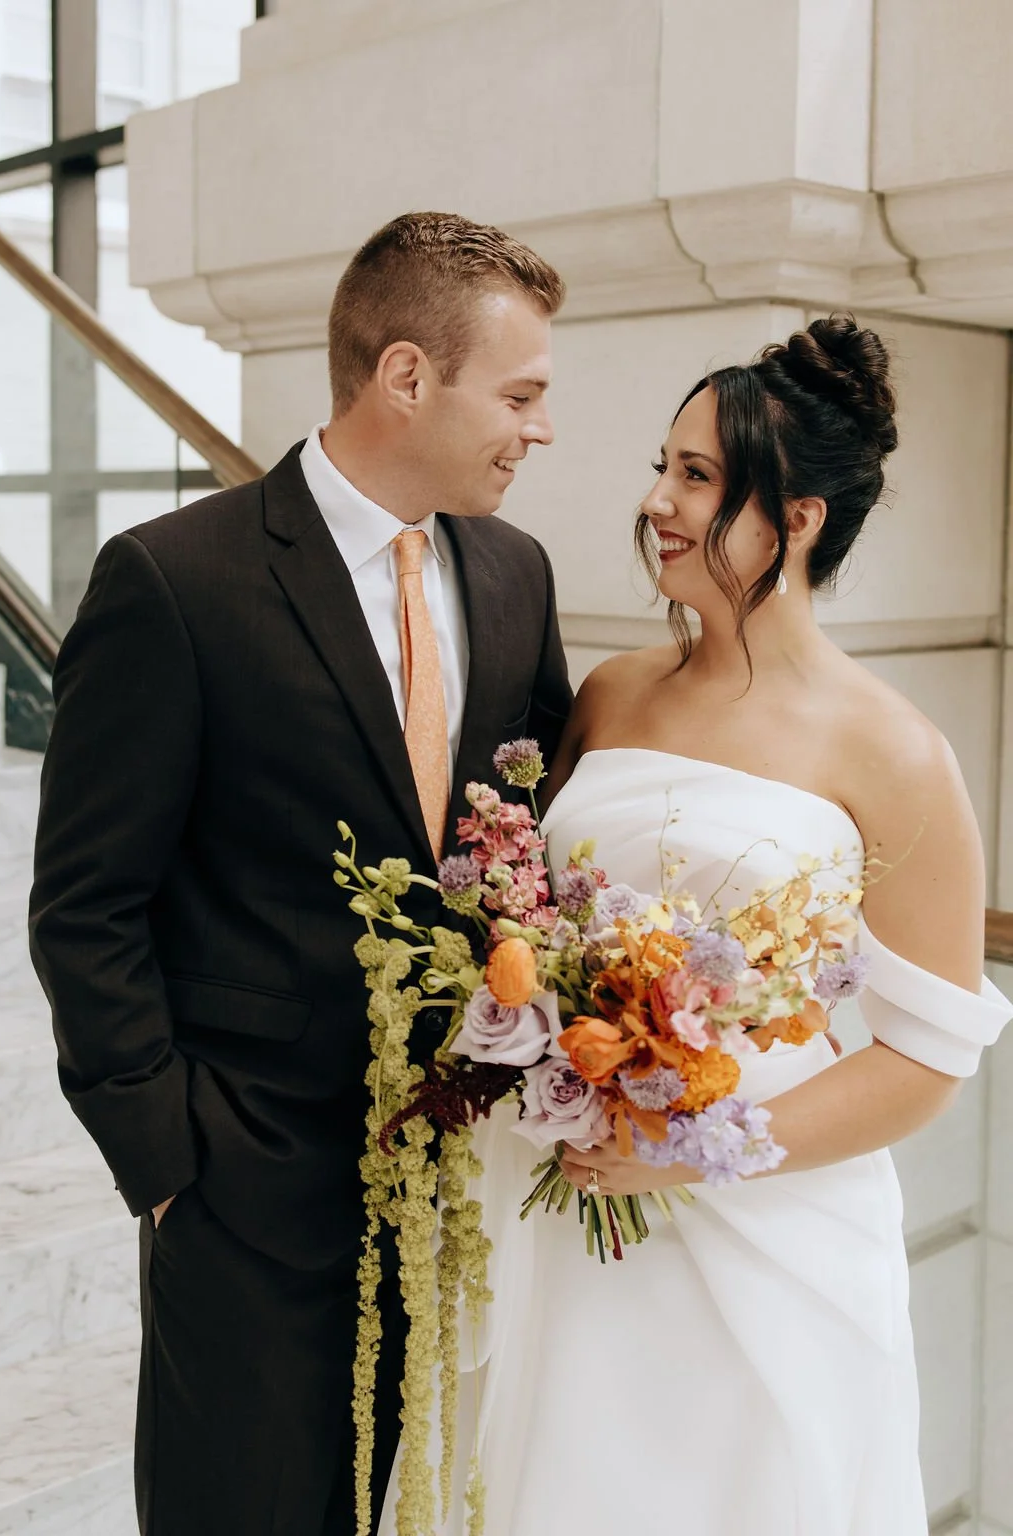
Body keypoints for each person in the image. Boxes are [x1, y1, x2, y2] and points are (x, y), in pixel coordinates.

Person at [406, 315, 1009, 1535]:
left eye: (697, 478)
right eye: (663, 467)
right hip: (568, 1196)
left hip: (765, 1224)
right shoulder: (614, 693)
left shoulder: (894, 752)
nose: (656, 502)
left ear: (796, 520)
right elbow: (520, 908)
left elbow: (929, 1055)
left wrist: (687, 1147)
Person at [27, 210, 573, 1536]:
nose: (537, 429)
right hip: (246, 1195)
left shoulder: (513, 574)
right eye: (518, 394)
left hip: (460, 1188)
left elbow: (528, 844)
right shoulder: (175, 580)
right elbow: (86, 906)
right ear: (404, 377)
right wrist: (167, 1163)